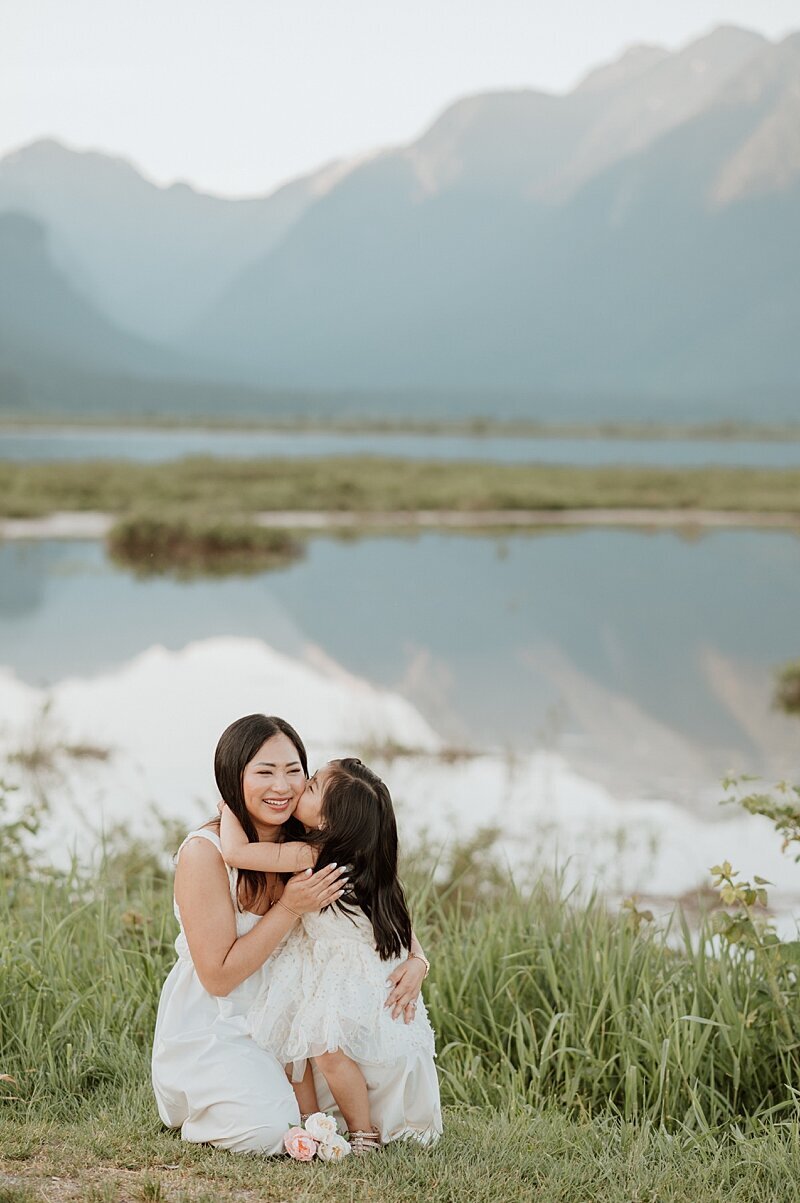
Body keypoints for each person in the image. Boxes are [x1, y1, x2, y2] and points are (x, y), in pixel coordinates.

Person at [220, 757, 442, 1152]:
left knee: (323, 1048)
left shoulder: (309, 854)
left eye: (312, 785)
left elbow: (236, 853)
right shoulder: (356, 856)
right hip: (326, 966)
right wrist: (415, 957)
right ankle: (312, 1125)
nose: (301, 783)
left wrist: (228, 807)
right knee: (295, 1044)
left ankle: (362, 1133)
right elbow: (397, 921)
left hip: (346, 972)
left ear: (326, 823)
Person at [151, 714, 349, 1153]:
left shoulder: (310, 846)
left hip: (293, 1021)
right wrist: (290, 908)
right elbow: (219, 977)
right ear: (231, 778)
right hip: (217, 1025)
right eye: (264, 772)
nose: (282, 787)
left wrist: (416, 959)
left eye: (294, 771)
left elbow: (383, 893)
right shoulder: (207, 853)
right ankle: (215, 1104)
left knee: (382, 1107)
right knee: (265, 1129)